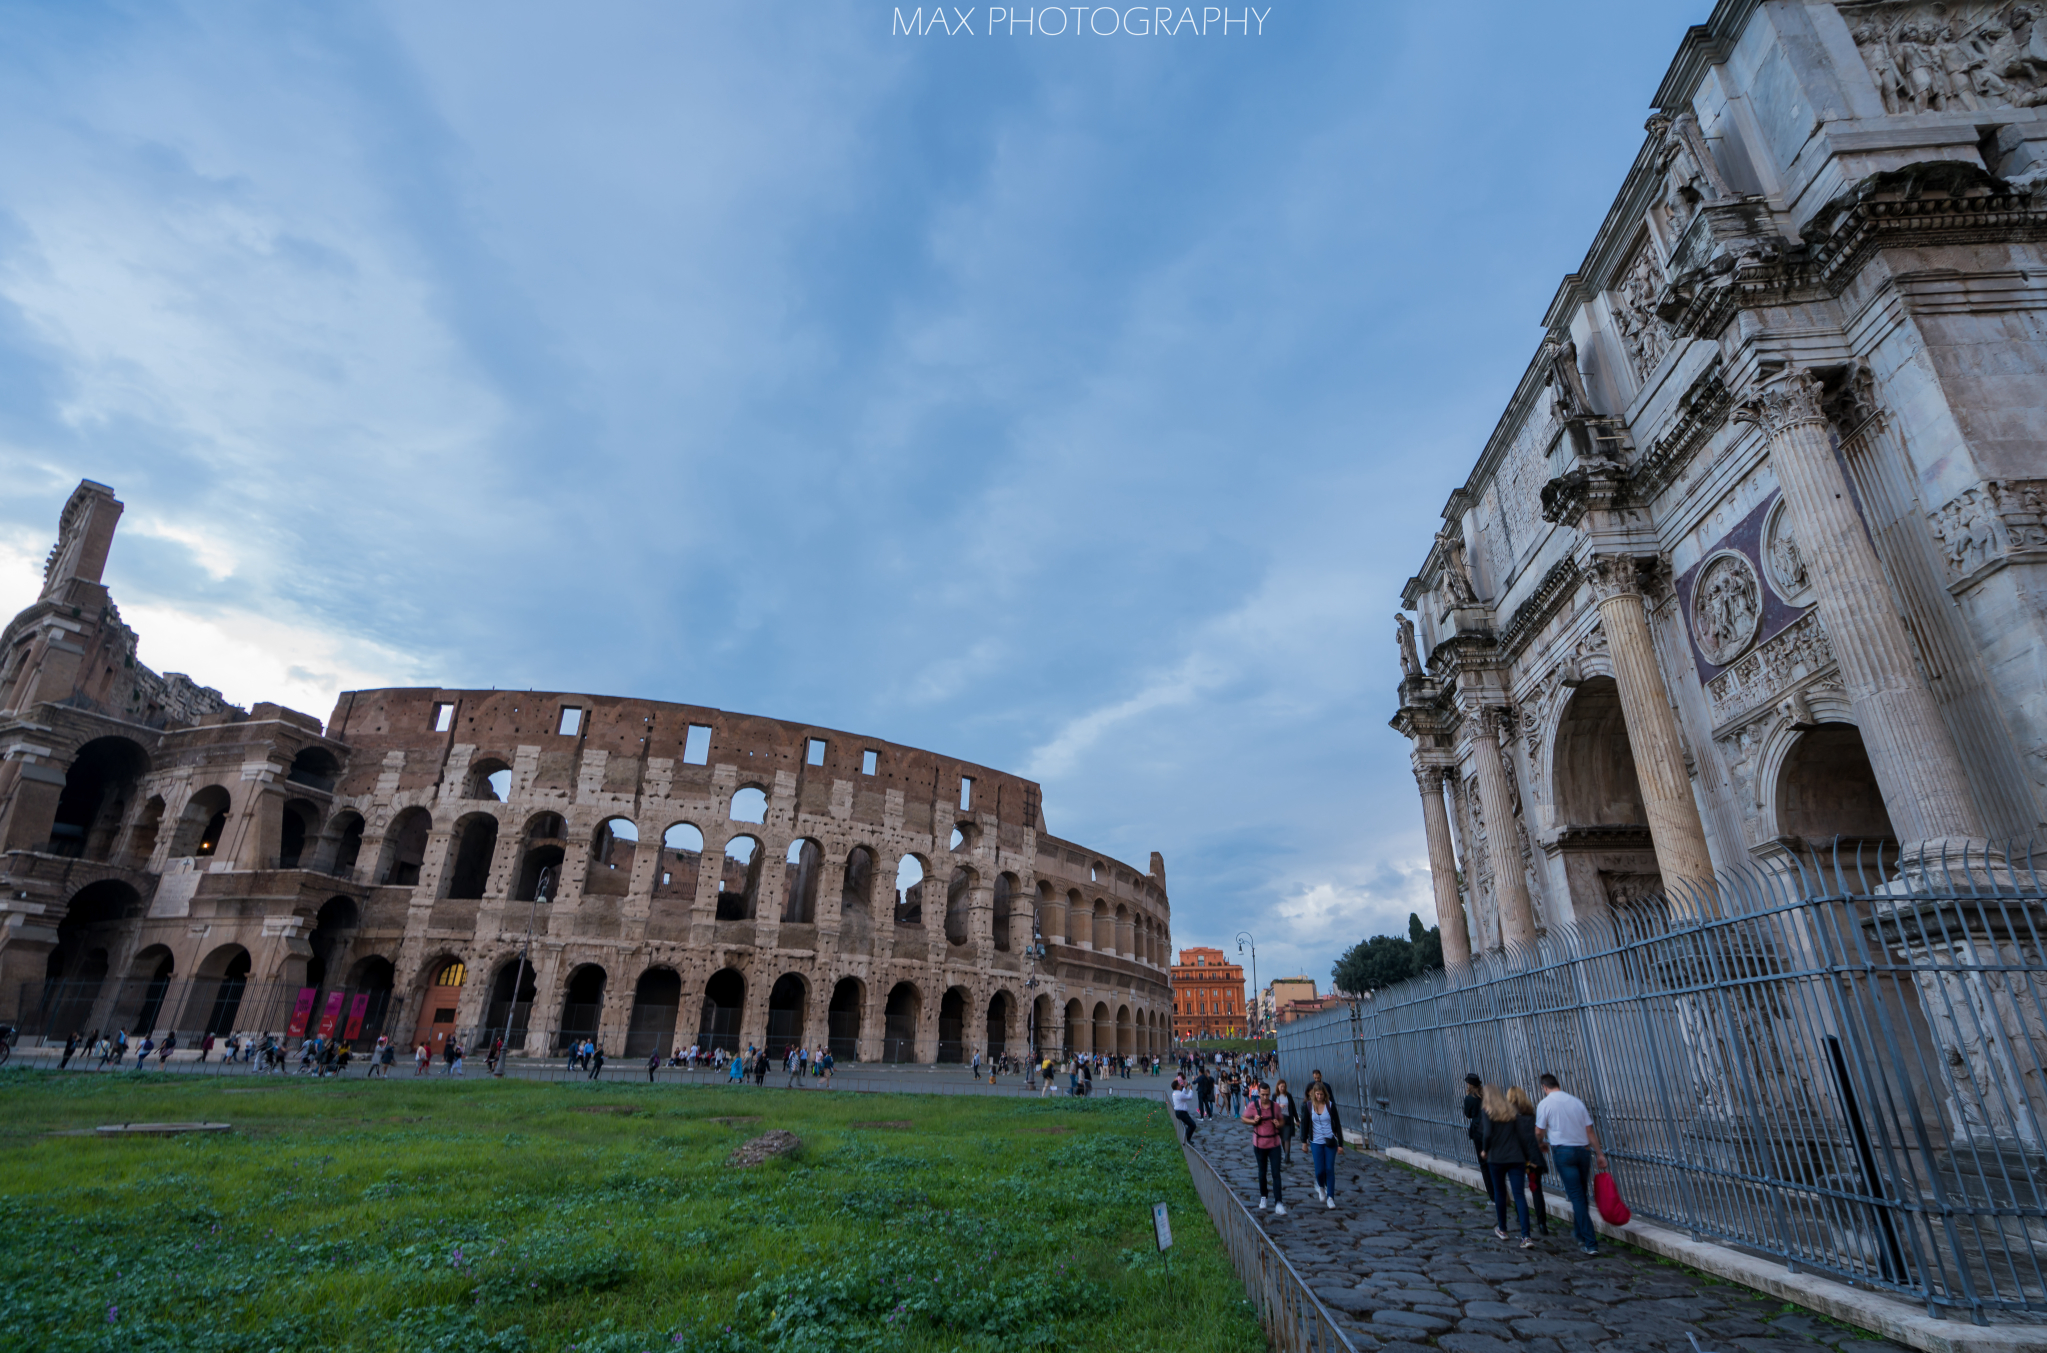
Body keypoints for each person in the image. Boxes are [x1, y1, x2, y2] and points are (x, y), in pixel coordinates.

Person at [1537, 1072, 1609, 1257]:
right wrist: (1600, 1153)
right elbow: (1590, 1130)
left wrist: (1540, 1142)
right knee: (1581, 1194)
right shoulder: (1577, 1102)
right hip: (1583, 1151)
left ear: (1544, 1087)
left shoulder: (1545, 1104)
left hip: (1563, 1152)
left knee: (1576, 1196)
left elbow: (1539, 1130)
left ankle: (1590, 1242)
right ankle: (1580, 1234)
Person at [1483, 1084, 1540, 1248]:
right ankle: (1526, 1237)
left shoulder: (1487, 1111)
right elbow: (1522, 1137)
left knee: (1500, 1193)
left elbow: (1486, 1134)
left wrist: (1485, 1151)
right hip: (1516, 1157)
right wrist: (1527, 1157)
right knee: (1519, 1195)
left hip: (1497, 1158)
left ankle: (1502, 1229)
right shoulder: (1511, 1112)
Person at [1243, 1080, 1287, 1214]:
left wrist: (1277, 1124)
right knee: (1262, 1172)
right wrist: (1253, 1121)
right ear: (1259, 1094)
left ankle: (1279, 1202)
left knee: (1276, 1173)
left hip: (1274, 1144)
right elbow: (1244, 1118)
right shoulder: (1253, 1105)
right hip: (1259, 1144)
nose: (1265, 1097)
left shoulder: (1275, 1107)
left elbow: (1282, 1121)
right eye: (1263, 1095)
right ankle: (1264, 1197)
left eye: (1267, 1095)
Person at [1302, 1082, 1344, 1208]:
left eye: (1321, 1094)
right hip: (1316, 1142)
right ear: (1314, 1095)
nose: (1319, 1096)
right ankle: (1321, 1186)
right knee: (1319, 1170)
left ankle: (1330, 1197)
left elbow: (1337, 1124)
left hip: (1330, 1141)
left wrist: (1340, 1144)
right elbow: (1304, 1125)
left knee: (1329, 1169)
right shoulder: (1308, 1106)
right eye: (1317, 1094)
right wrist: (1304, 1142)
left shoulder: (1330, 1106)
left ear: (1325, 1094)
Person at [1272, 1078, 1298, 1168]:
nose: (1282, 1088)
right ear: (1278, 1087)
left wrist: (1297, 1119)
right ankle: (1286, 1153)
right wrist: (1279, 1105)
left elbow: (1293, 1107)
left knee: (1287, 1137)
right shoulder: (1275, 1096)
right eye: (1281, 1086)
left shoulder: (1288, 1095)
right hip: (1278, 1120)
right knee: (1282, 1138)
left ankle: (1287, 1155)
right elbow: (1272, 1106)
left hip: (1287, 1119)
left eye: (1284, 1086)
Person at [1170, 1076, 1199, 1143]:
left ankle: (1186, 1139)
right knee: (1192, 1125)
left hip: (1179, 1112)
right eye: (1179, 1085)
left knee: (1189, 1125)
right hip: (1182, 1113)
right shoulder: (1179, 1094)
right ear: (1177, 1087)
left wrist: (1185, 1088)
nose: (1181, 1085)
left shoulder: (1174, 1093)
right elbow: (1189, 1097)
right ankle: (1186, 1139)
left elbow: (1182, 1094)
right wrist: (1191, 1089)